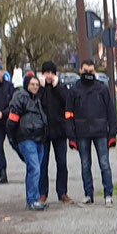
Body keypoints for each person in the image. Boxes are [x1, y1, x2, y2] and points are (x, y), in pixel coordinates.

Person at [64, 59, 116, 207]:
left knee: (104, 164)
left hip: (101, 132)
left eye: (91, 71)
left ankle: (108, 194)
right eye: (86, 71)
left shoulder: (102, 88)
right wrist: (71, 136)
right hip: (81, 133)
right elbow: (68, 114)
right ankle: (88, 194)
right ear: (80, 70)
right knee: (85, 165)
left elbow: (111, 112)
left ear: (95, 72)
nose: (88, 74)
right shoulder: (73, 90)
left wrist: (112, 134)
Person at [7, 73, 49, 211]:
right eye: (32, 84)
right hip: (27, 138)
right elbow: (12, 120)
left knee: (36, 169)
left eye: (37, 84)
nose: (35, 87)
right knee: (34, 169)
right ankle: (32, 200)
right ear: (26, 85)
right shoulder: (21, 98)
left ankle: (35, 199)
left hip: (39, 138)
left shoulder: (37, 99)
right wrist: (13, 138)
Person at [36, 62, 72, 205]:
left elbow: (67, 100)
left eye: (52, 73)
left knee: (62, 163)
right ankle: (42, 193)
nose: (49, 76)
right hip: (43, 132)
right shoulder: (38, 87)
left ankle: (62, 192)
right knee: (42, 164)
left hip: (59, 131)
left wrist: (57, 87)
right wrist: (42, 88)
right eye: (46, 73)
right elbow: (34, 101)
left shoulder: (61, 87)